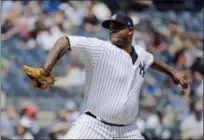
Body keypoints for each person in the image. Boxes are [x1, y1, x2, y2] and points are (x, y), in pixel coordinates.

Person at [23, 12, 188, 139]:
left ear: (131, 30)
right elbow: (64, 41)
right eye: (111, 27)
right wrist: (46, 69)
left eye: (118, 26)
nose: (112, 30)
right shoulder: (101, 49)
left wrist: (173, 72)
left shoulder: (141, 54)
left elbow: (152, 60)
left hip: (128, 130)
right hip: (94, 125)